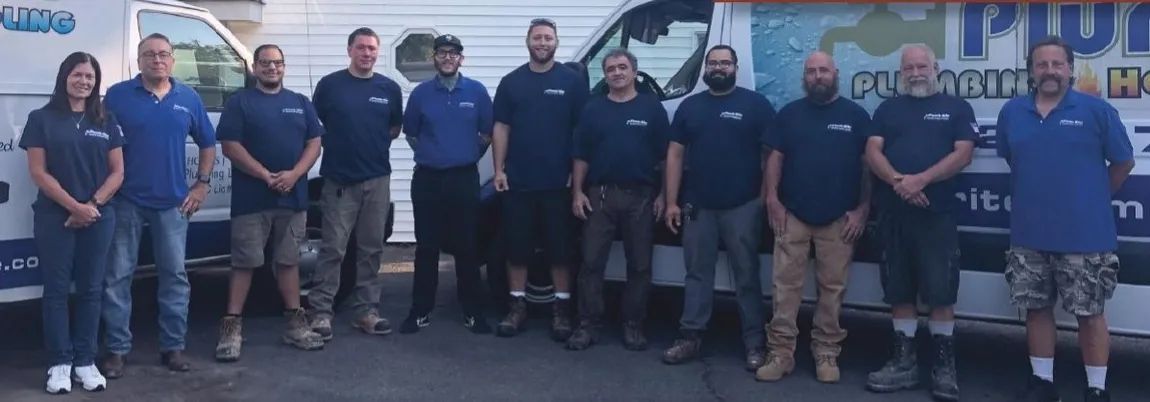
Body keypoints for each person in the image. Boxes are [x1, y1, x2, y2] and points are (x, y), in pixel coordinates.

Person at [997, 36, 1134, 402]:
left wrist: (1092, 197)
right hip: (1029, 235)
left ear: (1070, 69)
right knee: (1037, 309)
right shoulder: (1012, 113)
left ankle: (1096, 389)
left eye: (1057, 64)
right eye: (1042, 64)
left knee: (1090, 314)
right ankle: (1042, 384)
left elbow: (1123, 162)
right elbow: (1013, 159)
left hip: (1086, 235)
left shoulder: (1096, 111)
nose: (1050, 71)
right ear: (1031, 71)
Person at [863, 44, 977, 401]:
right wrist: (900, 182)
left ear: (935, 69)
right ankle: (903, 362)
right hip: (894, 214)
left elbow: (964, 153)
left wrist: (922, 179)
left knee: (941, 292)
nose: (915, 73)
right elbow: (872, 151)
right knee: (899, 290)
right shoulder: (887, 108)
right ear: (901, 73)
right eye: (908, 67)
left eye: (921, 66)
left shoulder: (956, 108)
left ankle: (944, 366)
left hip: (936, 215)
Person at [101, 33, 217, 376]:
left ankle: (173, 348)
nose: (157, 60)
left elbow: (208, 144)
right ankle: (117, 351)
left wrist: (202, 184)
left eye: (164, 54)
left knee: (174, 277)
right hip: (125, 201)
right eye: (149, 54)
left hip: (173, 203)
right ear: (139, 60)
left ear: (173, 60)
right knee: (117, 277)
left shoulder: (188, 97)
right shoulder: (118, 96)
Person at [756, 51, 871, 384]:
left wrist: (863, 210)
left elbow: (868, 168)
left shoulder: (856, 116)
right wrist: (773, 201)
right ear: (804, 77)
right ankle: (780, 353)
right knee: (784, 288)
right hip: (792, 215)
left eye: (823, 70)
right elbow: (774, 158)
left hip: (839, 218)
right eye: (811, 72)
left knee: (832, 289)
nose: (817, 76)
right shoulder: (790, 115)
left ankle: (826, 352)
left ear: (836, 73)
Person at [661, 45, 773, 371]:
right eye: (713, 63)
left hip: (743, 205)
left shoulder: (756, 105)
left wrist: (765, 199)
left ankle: (755, 343)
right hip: (698, 206)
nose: (719, 68)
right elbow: (675, 155)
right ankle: (690, 337)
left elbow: (770, 156)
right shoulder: (690, 107)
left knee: (747, 276)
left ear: (736, 68)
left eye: (725, 63)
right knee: (697, 274)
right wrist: (670, 201)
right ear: (705, 69)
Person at [213, 44, 326, 362]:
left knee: (289, 262)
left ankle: (295, 326)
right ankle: (231, 330)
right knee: (244, 263)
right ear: (254, 67)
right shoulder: (240, 103)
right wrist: (265, 175)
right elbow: (230, 146)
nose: (272, 68)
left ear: (284, 67)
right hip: (252, 200)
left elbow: (314, 144)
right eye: (265, 63)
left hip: (293, 198)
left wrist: (294, 175)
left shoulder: (300, 103)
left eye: (277, 63)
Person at [22, 52, 124, 394]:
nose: (84, 81)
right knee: (55, 291)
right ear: (65, 76)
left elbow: (118, 172)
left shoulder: (105, 119)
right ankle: (60, 363)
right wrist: (73, 206)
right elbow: (38, 172)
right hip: (55, 216)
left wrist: (91, 205)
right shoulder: (41, 118)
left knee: (92, 290)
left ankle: (85, 360)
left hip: (98, 215)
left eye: (90, 77)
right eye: (78, 74)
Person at [491, 18, 589, 340]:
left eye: (548, 38)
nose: (542, 43)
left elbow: (580, 134)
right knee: (516, 249)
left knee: (559, 251)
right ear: (528, 41)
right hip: (519, 182)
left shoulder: (572, 82)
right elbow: (501, 128)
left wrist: (576, 184)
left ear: (556, 42)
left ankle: (561, 311)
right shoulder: (511, 82)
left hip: (557, 185)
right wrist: (499, 170)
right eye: (537, 38)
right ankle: (516, 307)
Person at [566, 48, 669, 351]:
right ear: (606, 75)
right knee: (591, 264)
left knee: (639, 266)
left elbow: (666, 158)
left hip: (641, 197)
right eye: (610, 69)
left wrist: (665, 194)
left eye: (622, 68)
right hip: (600, 196)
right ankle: (587, 326)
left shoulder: (652, 109)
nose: (617, 73)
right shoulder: (593, 109)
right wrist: (577, 192)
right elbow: (581, 155)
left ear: (634, 72)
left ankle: (633, 326)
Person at [307, 27, 404, 340]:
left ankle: (366, 311)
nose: (367, 53)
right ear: (349, 50)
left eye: (372, 48)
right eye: (361, 47)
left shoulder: (389, 88)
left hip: (377, 179)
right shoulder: (330, 86)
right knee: (333, 248)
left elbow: (393, 128)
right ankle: (321, 312)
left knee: (371, 248)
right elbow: (314, 125)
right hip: (339, 180)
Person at [399, 34, 494, 335]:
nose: (448, 57)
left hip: (464, 178)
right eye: (442, 52)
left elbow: (487, 134)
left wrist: (462, 156)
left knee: (466, 246)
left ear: (461, 59)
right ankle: (420, 310)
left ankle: (473, 312)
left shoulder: (477, 92)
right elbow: (412, 134)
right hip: (428, 178)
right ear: (435, 58)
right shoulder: (421, 94)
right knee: (426, 247)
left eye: (454, 53)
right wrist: (435, 155)